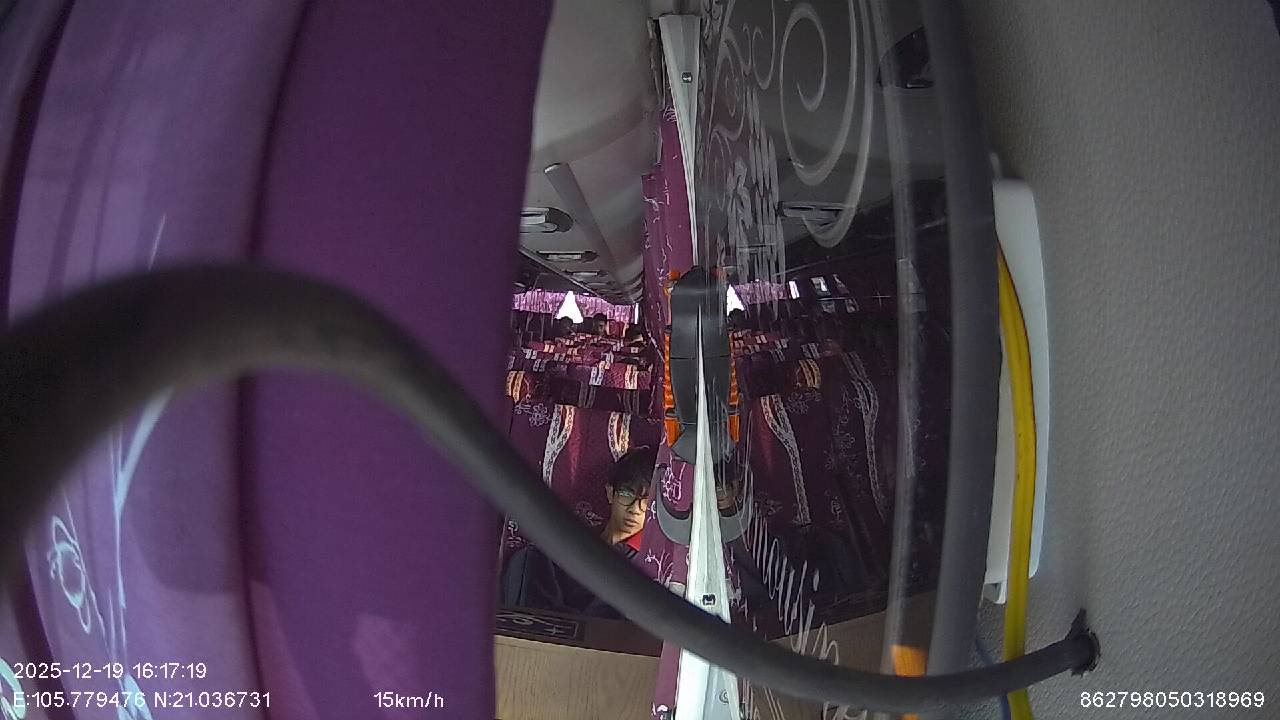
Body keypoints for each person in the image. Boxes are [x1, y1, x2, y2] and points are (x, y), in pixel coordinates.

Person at [600, 445, 657, 559]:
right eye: (627, 495)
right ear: (610, 493)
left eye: (647, 501)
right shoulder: (583, 534)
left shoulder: (649, 559)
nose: (635, 510)